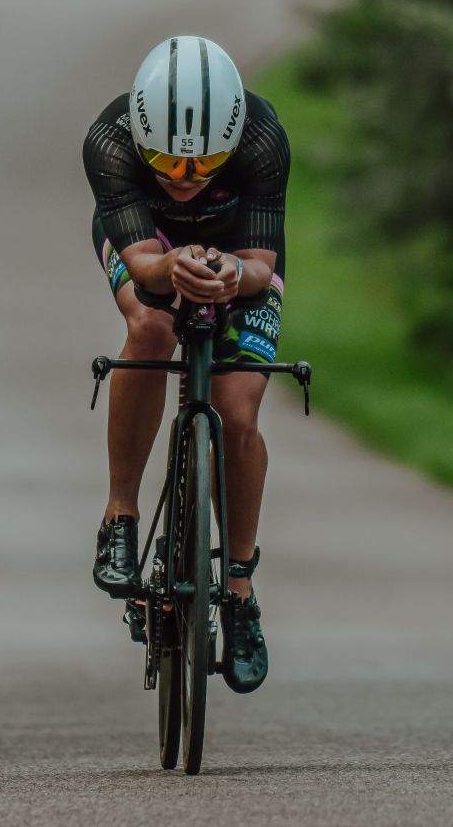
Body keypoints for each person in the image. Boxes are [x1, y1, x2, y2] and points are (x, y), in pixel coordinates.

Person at [81, 34, 289, 694]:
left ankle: (241, 587)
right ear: (142, 137)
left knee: (236, 410)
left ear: (233, 141)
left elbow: (262, 263)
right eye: (166, 160)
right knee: (150, 323)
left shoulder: (261, 139)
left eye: (204, 163)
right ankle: (120, 514)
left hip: (237, 254)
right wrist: (171, 267)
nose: (184, 176)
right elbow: (141, 263)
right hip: (152, 242)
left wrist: (232, 273)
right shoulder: (110, 140)